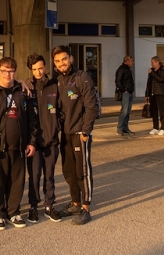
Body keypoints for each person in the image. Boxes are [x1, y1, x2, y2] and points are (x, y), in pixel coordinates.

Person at [0, 57, 37, 230]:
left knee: (16, 181)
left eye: (11, 71)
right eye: (4, 70)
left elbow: (32, 119)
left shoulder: (21, 92)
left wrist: (31, 142)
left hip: (18, 147)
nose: (8, 74)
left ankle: (13, 211)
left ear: (15, 72)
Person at [53, 45, 99, 225]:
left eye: (64, 59)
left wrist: (86, 131)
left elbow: (91, 105)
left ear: (71, 58)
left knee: (83, 171)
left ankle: (85, 208)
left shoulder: (82, 77)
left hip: (80, 132)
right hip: (65, 133)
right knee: (69, 171)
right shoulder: (57, 79)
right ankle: (74, 203)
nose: (61, 63)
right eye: (57, 61)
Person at [24, 53, 61, 223]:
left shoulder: (55, 85)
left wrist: (58, 127)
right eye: (34, 69)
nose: (38, 72)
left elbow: (62, 109)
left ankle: (49, 206)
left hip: (51, 139)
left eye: (40, 68)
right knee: (34, 175)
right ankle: (33, 206)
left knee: (50, 175)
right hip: (34, 142)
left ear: (45, 66)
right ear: (30, 70)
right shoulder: (27, 87)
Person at [146, 56, 164, 136]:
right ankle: (155, 127)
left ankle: (163, 128)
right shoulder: (151, 71)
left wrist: (152, 73)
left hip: (160, 92)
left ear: (157, 62)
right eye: (151, 62)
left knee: (161, 111)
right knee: (154, 111)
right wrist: (147, 94)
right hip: (152, 93)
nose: (151, 64)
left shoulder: (163, 70)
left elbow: (161, 79)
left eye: (153, 62)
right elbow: (149, 83)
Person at [115, 55, 135, 136]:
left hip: (129, 92)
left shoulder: (128, 70)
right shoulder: (121, 69)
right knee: (124, 111)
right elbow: (118, 81)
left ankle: (125, 128)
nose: (132, 63)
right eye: (131, 61)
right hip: (125, 93)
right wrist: (124, 90)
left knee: (128, 112)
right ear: (126, 61)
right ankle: (120, 128)